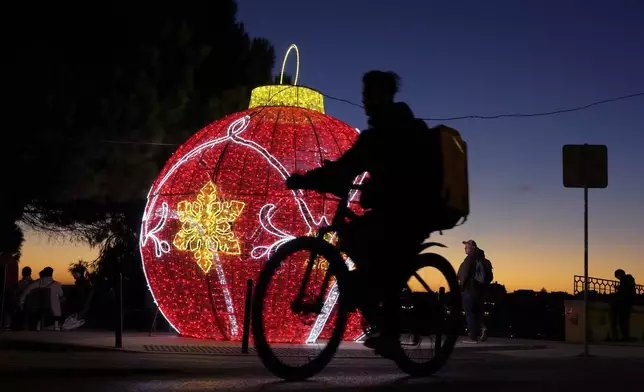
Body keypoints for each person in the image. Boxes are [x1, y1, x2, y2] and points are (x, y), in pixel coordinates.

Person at [287, 70, 443, 354]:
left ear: (384, 95)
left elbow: (352, 167)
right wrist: (312, 179)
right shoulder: (378, 134)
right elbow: (347, 166)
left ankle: (391, 331)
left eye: (369, 95)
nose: (365, 101)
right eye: (364, 95)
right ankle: (373, 307)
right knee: (357, 243)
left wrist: (310, 180)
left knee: (384, 262)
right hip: (391, 210)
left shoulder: (396, 131)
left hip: (413, 212)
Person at [457, 239, 488, 343]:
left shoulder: (469, 259)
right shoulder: (483, 260)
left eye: (467, 247)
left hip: (469, 288)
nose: (465, 248)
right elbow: (489, 277)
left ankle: (473, 337)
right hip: (480, 290)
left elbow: (464, 274)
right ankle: (483, 327)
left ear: (472, 248)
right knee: (477, 312)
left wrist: (461, 287)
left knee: (469, 312)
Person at [19, 267, 65, 331]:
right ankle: (56, 325)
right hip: (54, 309)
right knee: (57, 301)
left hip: (40, 306)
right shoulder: (56, 284)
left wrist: (21, 302)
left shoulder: (38, 282)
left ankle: (38, 325)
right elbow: (61, 294)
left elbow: (27, 291)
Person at [63, 265, 93, 330]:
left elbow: (79, 295)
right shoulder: (83, 282)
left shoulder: (81, 283)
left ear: (78, 273)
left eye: (74, 273)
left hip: (80, 303)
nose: (73, 275)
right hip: (83, 303)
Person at [611, 269, 636, 341]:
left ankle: (625, 336)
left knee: (623, 321)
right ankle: (625, 336)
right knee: (624, 321)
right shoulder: (628, 280)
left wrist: (616, 297)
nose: (618, 279)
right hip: (627, 303)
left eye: (617, 277)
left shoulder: (625, 280)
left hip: (625, 304)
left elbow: (624, 292)